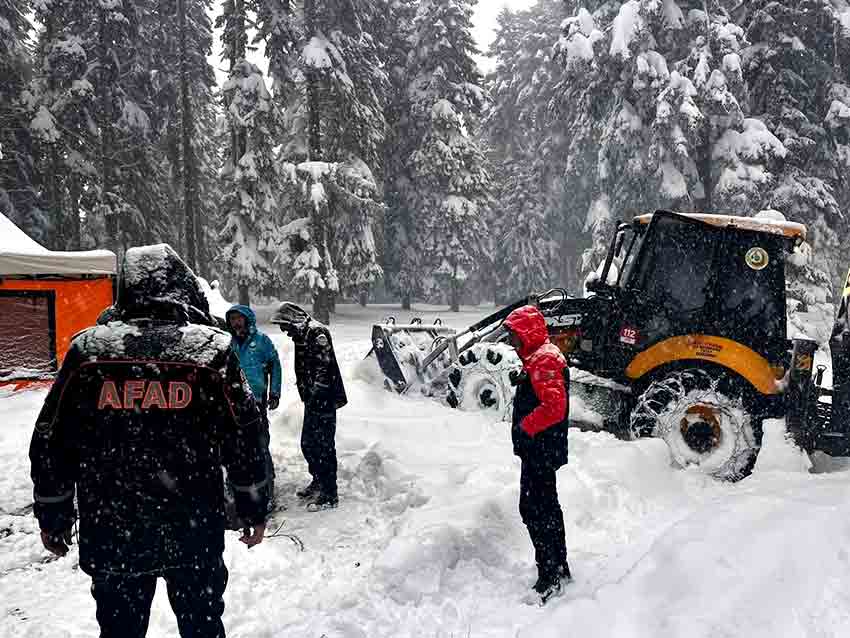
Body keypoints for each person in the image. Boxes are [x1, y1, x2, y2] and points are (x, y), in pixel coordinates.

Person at [30, 244, 269, 638]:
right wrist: (253, 506)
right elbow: (245, 438)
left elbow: (52, 441)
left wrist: (53, 516)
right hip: (192, 531)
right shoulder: (210, 352)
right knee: (203, 628)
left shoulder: (89, 352)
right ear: (183, 288)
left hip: (113, 531)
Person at [504, 304, 571, 605]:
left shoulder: (544, 359)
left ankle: (549, 577)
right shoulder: (541, 355)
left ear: (527, 333)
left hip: (540, 449)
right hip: (543, 449)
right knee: (547, 506)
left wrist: (526, 427)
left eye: (514, 336)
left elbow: (554, 407)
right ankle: (559, 567)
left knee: (533, 509)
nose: (511, 342)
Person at [271, 302, 347, 510]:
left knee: (323, 446)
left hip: (324, 400)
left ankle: (329, 493)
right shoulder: (301, 334)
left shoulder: (317, 332)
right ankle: (318, 480)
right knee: (308, 444)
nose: (284, 331)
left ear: (293, 319)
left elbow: (324, 367)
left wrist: (315, 393)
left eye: (284, 326)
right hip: (313, 401)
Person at [226, 304, 282, 507]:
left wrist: (275, 392)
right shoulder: (227, 342)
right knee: (234, 448)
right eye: (232, 319)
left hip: (256, 402)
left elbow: (275, 364)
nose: (235, 323)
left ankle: (267, 490)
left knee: (260, 445)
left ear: (248, 319)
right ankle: (236, 491)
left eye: (239, 318)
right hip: (231, 404)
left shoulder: (261, 341)